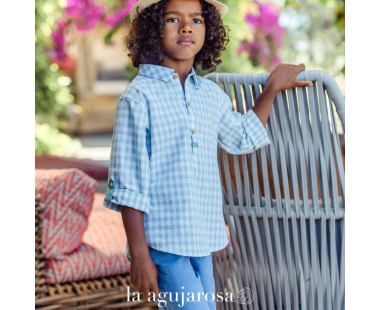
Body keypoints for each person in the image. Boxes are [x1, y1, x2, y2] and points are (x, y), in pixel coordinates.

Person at [103, 0, 313, 309]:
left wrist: (271, 89)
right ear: (152, 29)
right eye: (173, 19)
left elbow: (241, 138)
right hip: (162, 241)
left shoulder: (211, 95)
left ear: (208, 31)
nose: (186, 27)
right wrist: (140, 255)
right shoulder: (138, 96)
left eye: (197, 20)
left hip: (202, 236)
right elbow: (128, 186)